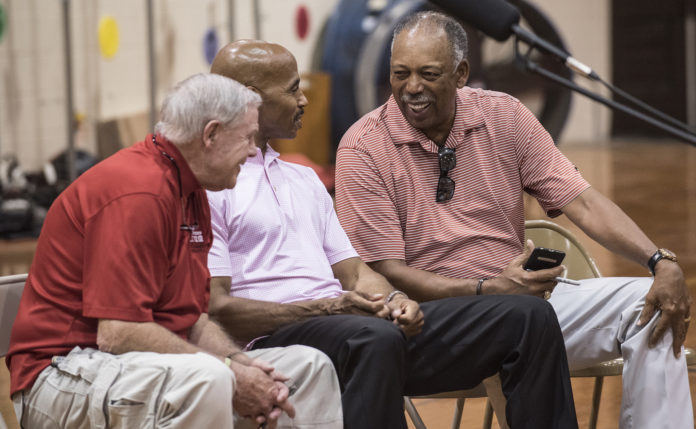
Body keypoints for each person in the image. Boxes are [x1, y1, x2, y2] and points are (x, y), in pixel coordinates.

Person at [334, 11, 693, 429]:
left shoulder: (505, 116)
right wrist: (487, 289)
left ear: (462, 72)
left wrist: (659, 261)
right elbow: (385, 271)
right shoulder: (363, 147)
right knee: (521, 318)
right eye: (400, 74)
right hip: (432, 322)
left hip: (524, 302)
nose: (412, 88)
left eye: (428, 74)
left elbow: (584, 202)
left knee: (654, 305)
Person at [207, 39, 578, 429]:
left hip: (356, 331)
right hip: (282, 339)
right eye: (292, 89)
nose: (304, 100)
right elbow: (218, 309)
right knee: (372, 337)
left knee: (527, 317)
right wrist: (331, 309)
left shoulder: (303, 179)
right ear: (248, 97)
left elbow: (355, 273)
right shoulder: (209, 185)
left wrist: (397, 300)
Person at [6, 73, 343, 429]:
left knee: (308, 367)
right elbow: (119, 333)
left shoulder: (192, 190)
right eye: (246, 137)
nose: (251, 150)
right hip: (59, 375)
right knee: (209, 379)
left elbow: (192, 319)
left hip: (134, 365)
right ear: (211, 135)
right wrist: (228, 371)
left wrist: (235, 361)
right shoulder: (138, 192)